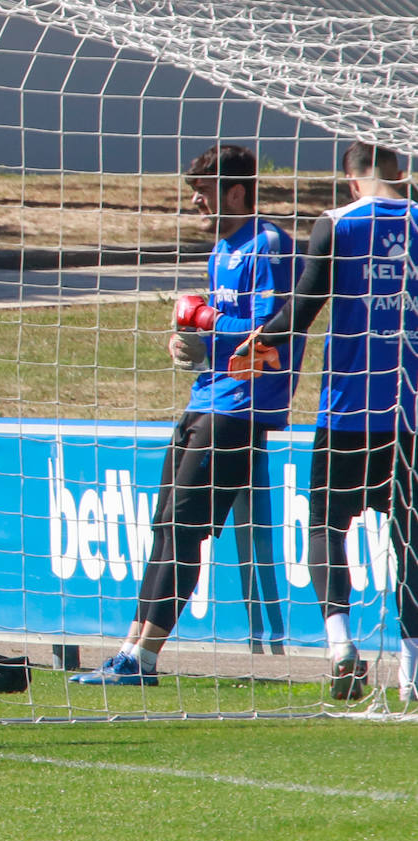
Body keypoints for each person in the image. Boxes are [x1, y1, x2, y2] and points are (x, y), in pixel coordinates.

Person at [74, 144, 303, 686]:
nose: (196, 204)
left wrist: (207, 331)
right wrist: (191, 344)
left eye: (203, 194)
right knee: (164, 526)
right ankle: (128, 650)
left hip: (243, 407)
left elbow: (275, 334)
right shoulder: (221, 251)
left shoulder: (267, 244)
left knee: (184, 529)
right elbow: (224, 330)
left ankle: (145, 659)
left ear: (236, 193)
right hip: (205, 399)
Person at [233, 140, 418, 701]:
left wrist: (256, 343)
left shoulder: (336, 224)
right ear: (399, 173)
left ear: (351, 179)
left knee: (323, 525)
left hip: (347, 409)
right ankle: (413, 667)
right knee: (410, 539)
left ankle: (341, 646)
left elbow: (307, 305)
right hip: (410, 412)